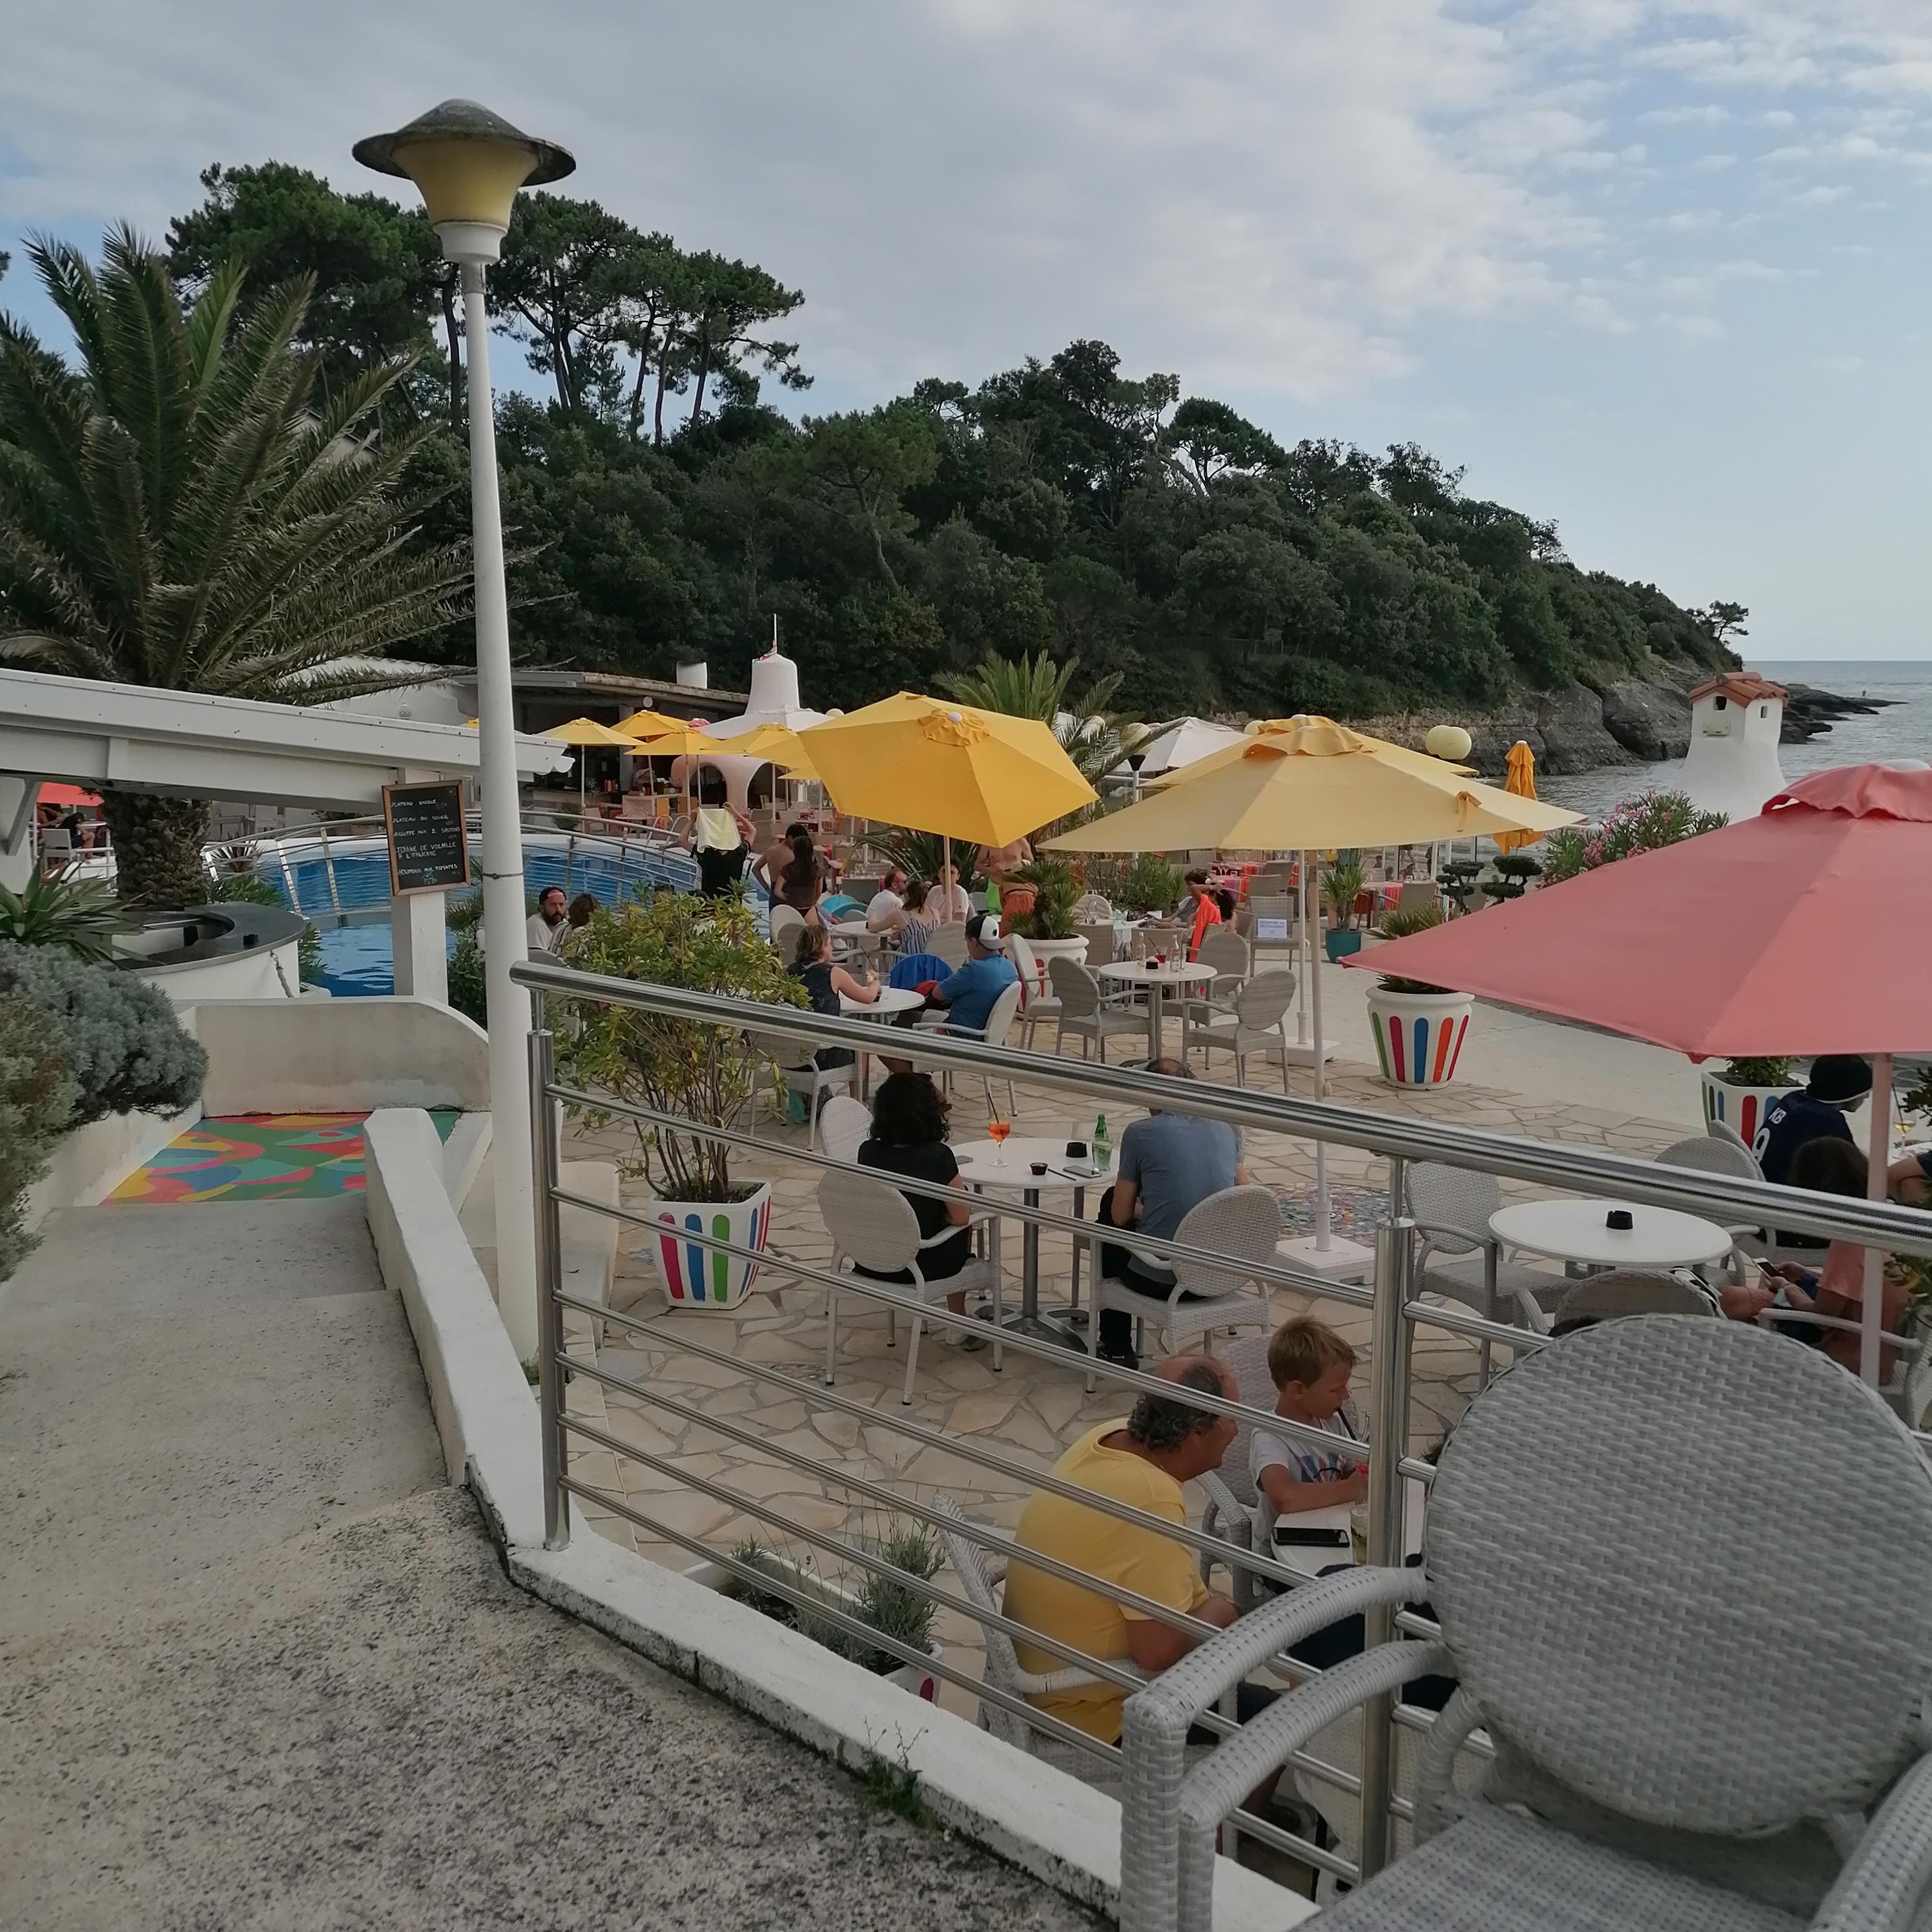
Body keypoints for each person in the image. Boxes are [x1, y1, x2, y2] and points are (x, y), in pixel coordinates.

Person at [1003, 1356, 1247, 1744]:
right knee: (1271, 1723)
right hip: (1090, 1710)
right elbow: (1157, 1652)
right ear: (1198, 1431)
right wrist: (1225, 1612)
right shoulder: (1150, 1497)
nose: (1239, 1428)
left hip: (1044, 1674)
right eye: (1233, 1416)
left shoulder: (1110, 1437)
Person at [1093, 1062, 1247, 1368]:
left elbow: (1120, 1217)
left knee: (1109, 1212)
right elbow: (1242, 1196)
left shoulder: (1141, 1133)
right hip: (1221, 1274)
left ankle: (1116, 1344)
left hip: (1165, 1280)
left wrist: (1145, 1210)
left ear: (1150, 1093)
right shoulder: (1227, 1127)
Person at [1722, 1137, 1917, 1377]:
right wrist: (1805, 1273)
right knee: (1740, 1299)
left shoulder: (1850, 1240)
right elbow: (1856, 1286)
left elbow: (1821, 1318)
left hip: (1848, 1357)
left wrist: (1787, 1287)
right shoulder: (1879, 1225)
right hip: (1878, 1347)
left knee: (1730, 1302)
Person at [854, 1071, 984, 1339]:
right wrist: (944, 1216)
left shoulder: (867, 1152)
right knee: (961, 1216)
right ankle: (957, 1319)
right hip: (921, 1266)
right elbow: (961, 1218)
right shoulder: (937, 1157)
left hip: (874, 1260)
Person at [1250, 1318, 1366, 1536]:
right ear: (1298, 1390)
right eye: (1335, 1390)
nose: (1345, 1395)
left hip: (1333, 1532)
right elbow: (1284, 1498)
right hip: (1284, 1546)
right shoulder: (1269, 1436)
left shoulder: (1333, 1421)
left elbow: (1353, 1472)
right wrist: (1352, 1489)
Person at [1756, 1055, 1873, 1187]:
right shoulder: (1825, 1119)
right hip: (1780, 1193)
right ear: (1850, 1092)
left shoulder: (1793, 1099)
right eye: (1864, 1091)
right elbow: (1854, 1172)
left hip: (1760, 1181)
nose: (1867, 1096)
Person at [788, 921, 876, 1076]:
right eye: (829, 944)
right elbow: (868, 998)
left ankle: (818, 1091)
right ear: (821, 947)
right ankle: (857, 1092)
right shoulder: (833, 973)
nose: (832, 948)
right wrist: (876, 983)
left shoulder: (790, 971)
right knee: (861, 1045)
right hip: (820, 1054)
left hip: (792, 1054)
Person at [923, 910, 1018, 1035]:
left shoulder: (974, 969)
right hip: (989, 1034)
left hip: (960, 1036)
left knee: (909, 1021)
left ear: (974, 942)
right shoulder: (1010, 968)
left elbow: (938, 994)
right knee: (928, 1015)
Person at [694, 802, 757, 898]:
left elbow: (682, 840)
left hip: (710, 903)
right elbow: (752, 831)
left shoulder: (705, 856)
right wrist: (735, 813)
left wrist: (692, 820)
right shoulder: (738, 854)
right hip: (733, 904)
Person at [1178, 869, 1224, 960]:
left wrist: (1212, 887)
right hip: (1201, 951)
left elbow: (1194, 888)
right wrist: (1190, 929)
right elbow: (1191, 917)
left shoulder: (1208, 906)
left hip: (1193, 953)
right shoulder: (1216, 911)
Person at [889, 879, 938, 956]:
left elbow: (874, 927)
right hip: (932, 960)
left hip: (910, 961)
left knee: (884, 948)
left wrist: (873, 914)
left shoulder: (901, 914)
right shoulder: (935, 913)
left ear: (907, 895)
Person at [867, 865, 910, 933]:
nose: (907, 884)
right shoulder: (897, 902)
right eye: (905, 882)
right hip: (881, 937)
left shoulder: (878, 896)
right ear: (894, 885)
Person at [526, 885, 568, 954]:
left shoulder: (563, 923)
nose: (558, 909)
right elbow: (538, 957)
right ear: (542, 908)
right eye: (553, 905)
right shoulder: (537, 925)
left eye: (561, 905)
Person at [930, 861, 971, 926]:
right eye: (944, 871)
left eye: (952, 872)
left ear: (958, 876)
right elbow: (924, 914)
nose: (947, 874)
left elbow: (959, 923)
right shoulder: (933, 891)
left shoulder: (960, 893)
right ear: (938, 874)